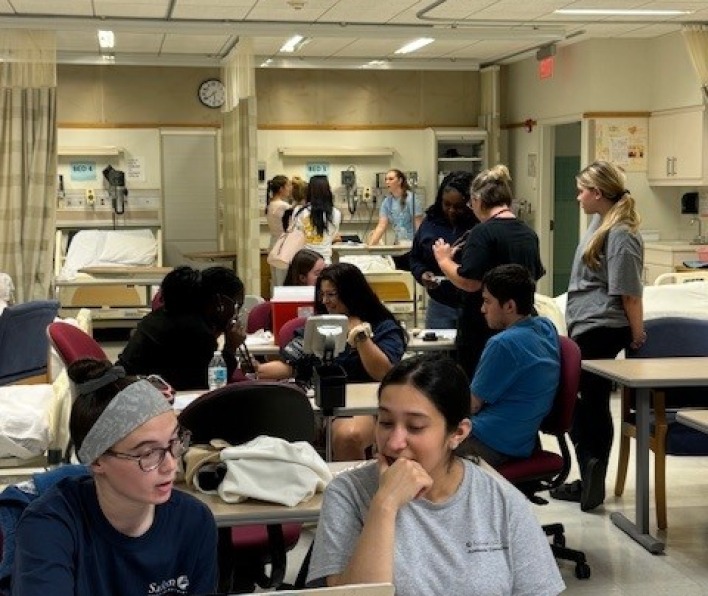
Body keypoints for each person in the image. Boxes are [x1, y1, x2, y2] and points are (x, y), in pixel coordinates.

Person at [306, 354, 565, 596]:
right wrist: (384, 505)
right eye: (384, 422)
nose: (394, 443)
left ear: (458, 433)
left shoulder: (501, 500)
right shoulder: (348, 494)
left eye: (415, 427)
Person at [12, 358, 218, 595]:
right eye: (148, 453)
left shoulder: (193, 522)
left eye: (174, 442)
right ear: (97, 460)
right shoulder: (49, 528)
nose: (171, 465)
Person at [550, 160, 644, 512]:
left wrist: (638, 333)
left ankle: (593, 473)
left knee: (591, 400)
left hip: (602, 328)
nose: (577, 197)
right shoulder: (600, 223)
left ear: (598, 194)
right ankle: (590, 470)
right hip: (586, 325)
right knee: (584, 401)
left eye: (582, 190)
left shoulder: (621, 234)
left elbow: (630, 293)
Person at [256, 262, 407, 460]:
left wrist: (359, 336)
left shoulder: (382, 327)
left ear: (351, 294)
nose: (326, 301)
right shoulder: (319, 325)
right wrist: (256, 368)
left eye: (332, 294)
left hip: (365, 404)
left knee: (348, 436)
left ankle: (351, 489)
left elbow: (382, 372)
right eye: (322, 295)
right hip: (321, 402)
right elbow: (290, 365)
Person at [433, 164, 545, 380]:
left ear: (477, 201)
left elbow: (470, 282)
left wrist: (444, 260)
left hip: (483, 330)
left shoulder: (482, 233)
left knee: (479, 389)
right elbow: (534, 274)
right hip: (521, 328)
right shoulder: (528, 233)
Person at [459, 264, 560, 468]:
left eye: (487, 301)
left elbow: (472, 404)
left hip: (489, 441)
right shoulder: (546, 328)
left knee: (414, 444)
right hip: (522, 441)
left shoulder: (503, 344)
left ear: (510, 306)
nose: (482, 309)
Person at [118, 266, 246, 390]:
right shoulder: (194, 330)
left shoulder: (165, 316)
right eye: (236, 305)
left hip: (123, 390)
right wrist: (230, 348)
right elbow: (210, 384)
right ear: (220, 302)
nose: (236, 313)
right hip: (136, 399)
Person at [409, 171, 478, 329]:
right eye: (446, 204)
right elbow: (415, 257)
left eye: (458, 207)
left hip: (474, 306)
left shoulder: (479, 226)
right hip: (440, 305)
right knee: (437, 352)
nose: (451, 210)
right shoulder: (430, 224)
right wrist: (422, 274)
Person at [291, 175, 342, 264]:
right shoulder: (335, 213)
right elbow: (333, 235)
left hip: (305, 261)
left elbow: (297, 235)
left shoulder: (299, 211)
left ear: (309, 191)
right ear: (328, 191)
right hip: (325, 261)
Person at [368, 169, 423, 246]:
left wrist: (420, 248)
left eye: (391, 179)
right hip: (399, 244)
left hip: (413, 244)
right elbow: (381, 226)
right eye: (386, 179)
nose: (387, 182)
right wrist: (370, 247)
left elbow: (419, 227)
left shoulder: (411, 199)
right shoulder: (387, 202)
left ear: (400, 181)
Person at [266, 175, 293, 288]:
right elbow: (292, 227)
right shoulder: (284, 206)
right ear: (281, 189)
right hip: (283, 246)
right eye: (288, 185)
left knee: (276, 281)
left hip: (273, 244)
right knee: (283, 282)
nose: (290, 188)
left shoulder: (270, 204)